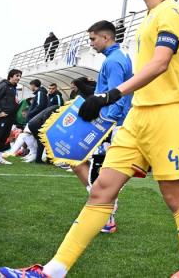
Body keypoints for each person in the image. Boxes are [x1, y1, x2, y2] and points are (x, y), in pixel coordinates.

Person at [0, 0, 179, 278]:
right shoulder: (150, 18)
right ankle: (52, 271)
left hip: (168, 116)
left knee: (175, 196)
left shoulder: (172, 12)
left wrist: (109, 95)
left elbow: (161, 63)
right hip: (137, 118)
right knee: (101, 190)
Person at [70, 20, 134, 234]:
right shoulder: (118, 57)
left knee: (97, 171)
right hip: (112, 123)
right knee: (82, 164)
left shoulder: (114, 61)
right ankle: (103, 209)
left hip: (110, 125)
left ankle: (106, 215)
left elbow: (117, 95)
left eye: (93, 39)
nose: (91, 43)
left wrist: (105, 125)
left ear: (106, 37)